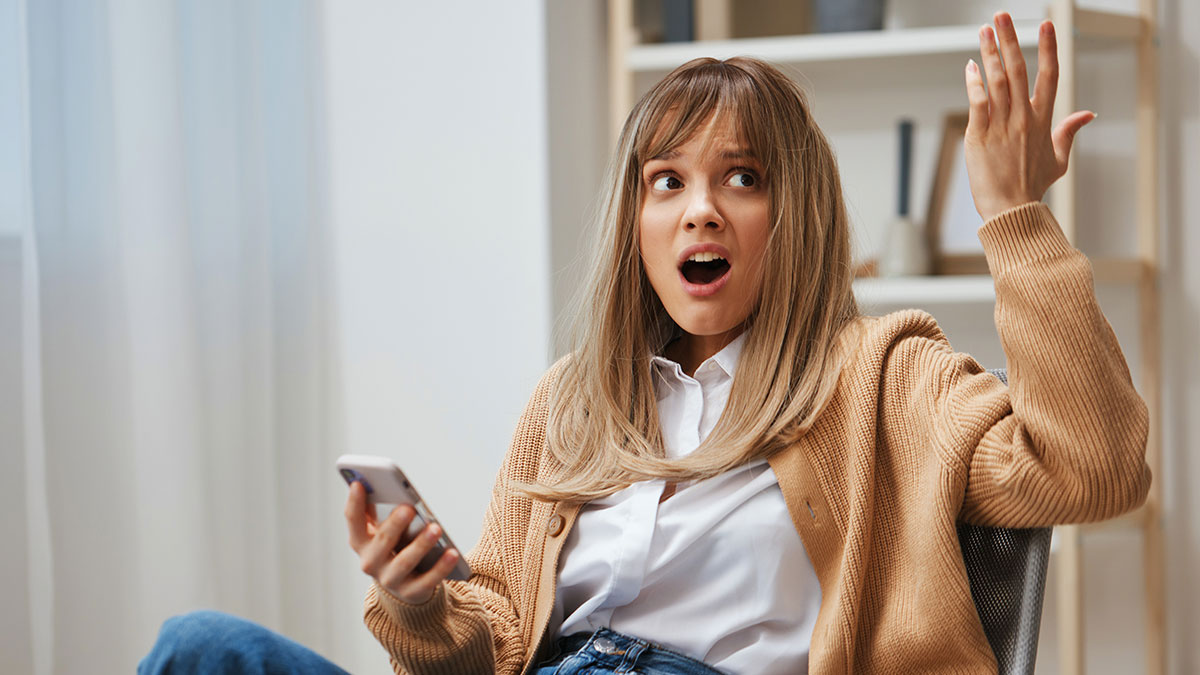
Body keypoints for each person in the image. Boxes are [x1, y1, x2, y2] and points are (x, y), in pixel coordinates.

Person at [140, 11, 1149, 675]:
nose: (699, 211)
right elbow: (489, 646)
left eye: (741, 178)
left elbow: (1091, 468)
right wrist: (420, 606)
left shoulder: (886, 376)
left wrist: (1013, 217)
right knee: (198, 650)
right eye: (667, 181)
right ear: (634, 219)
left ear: (790, 213)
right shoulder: (575, 403)